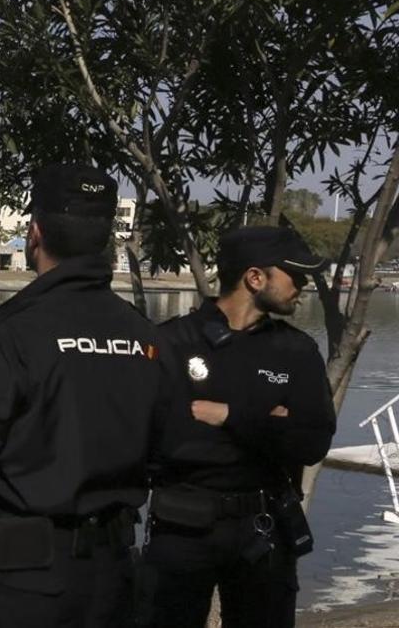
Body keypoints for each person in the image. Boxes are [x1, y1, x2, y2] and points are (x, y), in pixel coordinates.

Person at [0, 164, 173, 628]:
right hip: (112, 576)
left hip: (22, 581)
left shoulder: (12, 331)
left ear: (35, 234)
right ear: (106, 239)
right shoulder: (145, 335)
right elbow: (167, 450)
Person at [143, 226, 337, 628]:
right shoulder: (172, 342)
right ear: (254, 278)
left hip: (263, 530)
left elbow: (312, 441)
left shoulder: (296, 351)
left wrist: (229, 416)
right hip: (181, 529)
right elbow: (159, 439)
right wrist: (270, 423)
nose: (302, 285)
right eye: (294, 275)